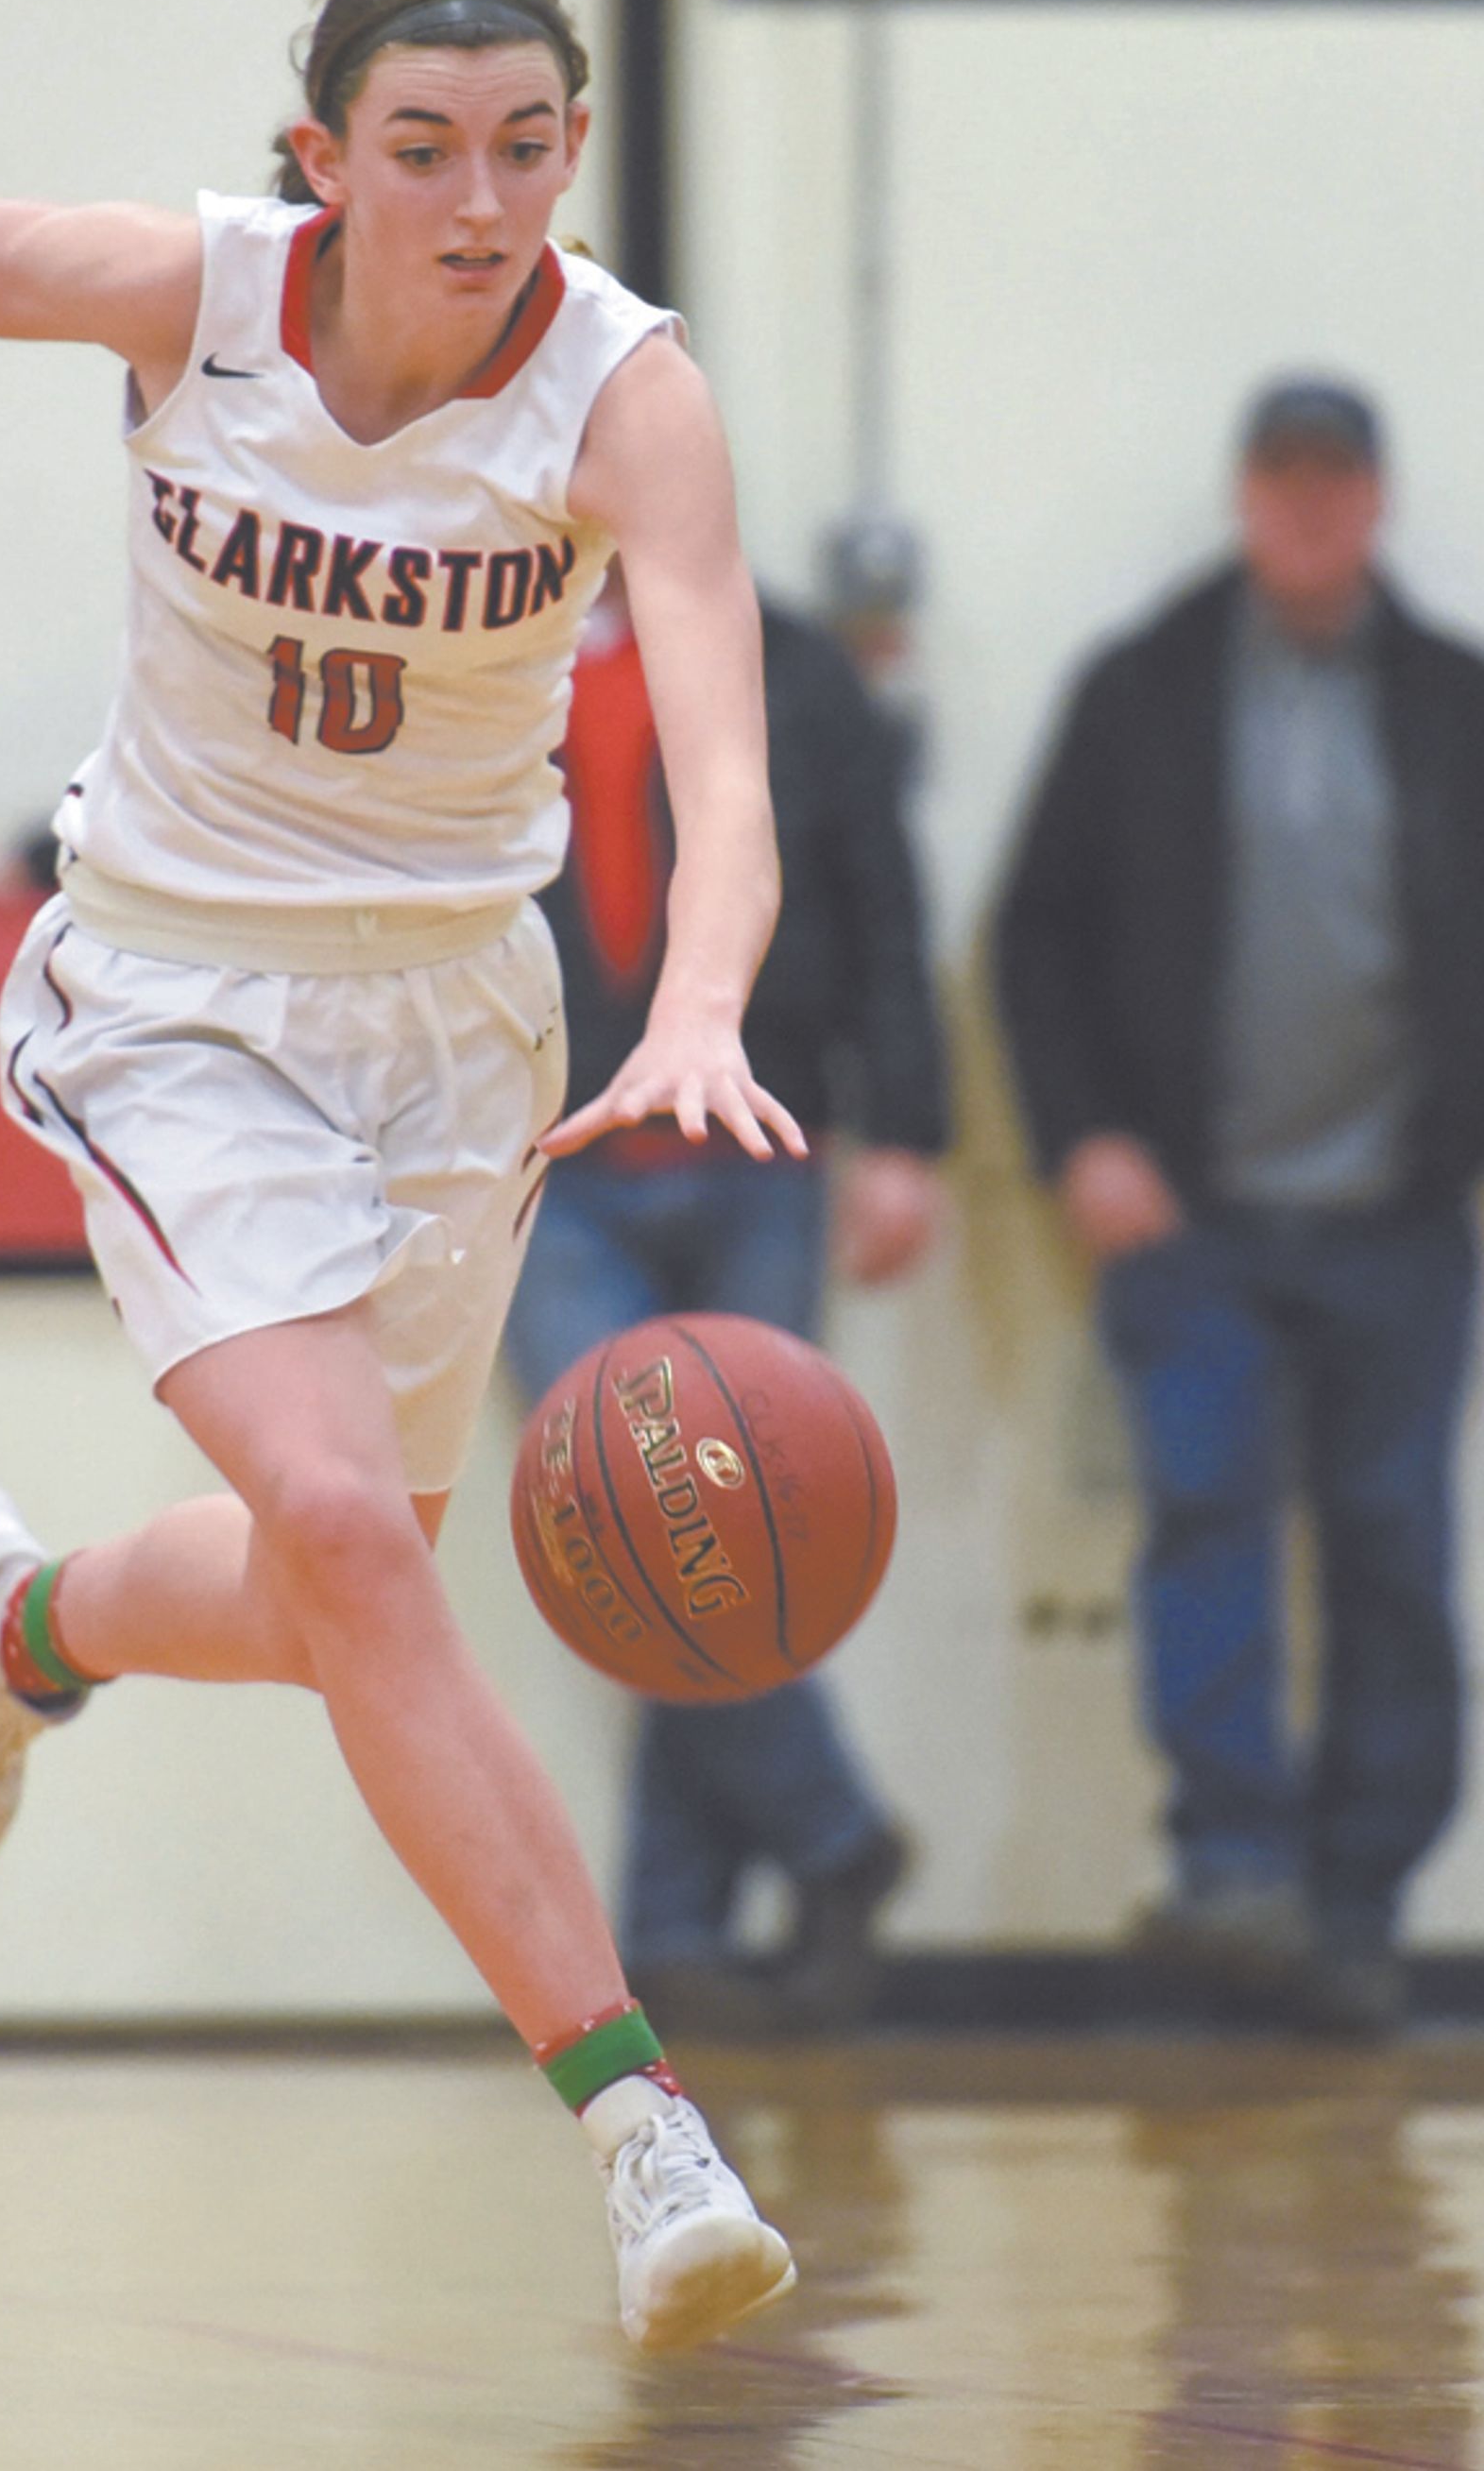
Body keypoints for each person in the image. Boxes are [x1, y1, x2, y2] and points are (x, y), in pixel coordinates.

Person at [0, 0, 805, 2355]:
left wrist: (698, 996)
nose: (481, 196)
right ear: (326, 159)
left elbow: (728, 768)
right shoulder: (188, 297)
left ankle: (16, 1629)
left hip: (459, 1024)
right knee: (336, 1533)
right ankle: (636, 2123)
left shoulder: (628, 400)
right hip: (177, 985)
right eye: (424, 147)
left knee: (352, 1595)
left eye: (527, 146)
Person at [993, 377, 1484, 2037]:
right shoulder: (1142, 692)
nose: (1310, 511)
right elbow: (1033, 936)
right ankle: (1234, 1876)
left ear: (1378, 501)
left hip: (1402, 1227)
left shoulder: (1450, 700)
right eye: (1283, 481)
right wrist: (1085, 1141)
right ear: (1245, 497)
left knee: (1394, 1556)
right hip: (1189, 1220)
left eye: (1337, 483)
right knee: (1206, 1523)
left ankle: (1354, 1907)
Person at [504, 571, 948, 2038]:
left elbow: (882, 896)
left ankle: (679, 1928)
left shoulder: (792, 660)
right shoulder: (470, 640)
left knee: (707, 1532)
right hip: (548, 1160)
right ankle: (834, 1841)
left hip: (762, 1144)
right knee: (635, 1530)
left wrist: (913, 1137)